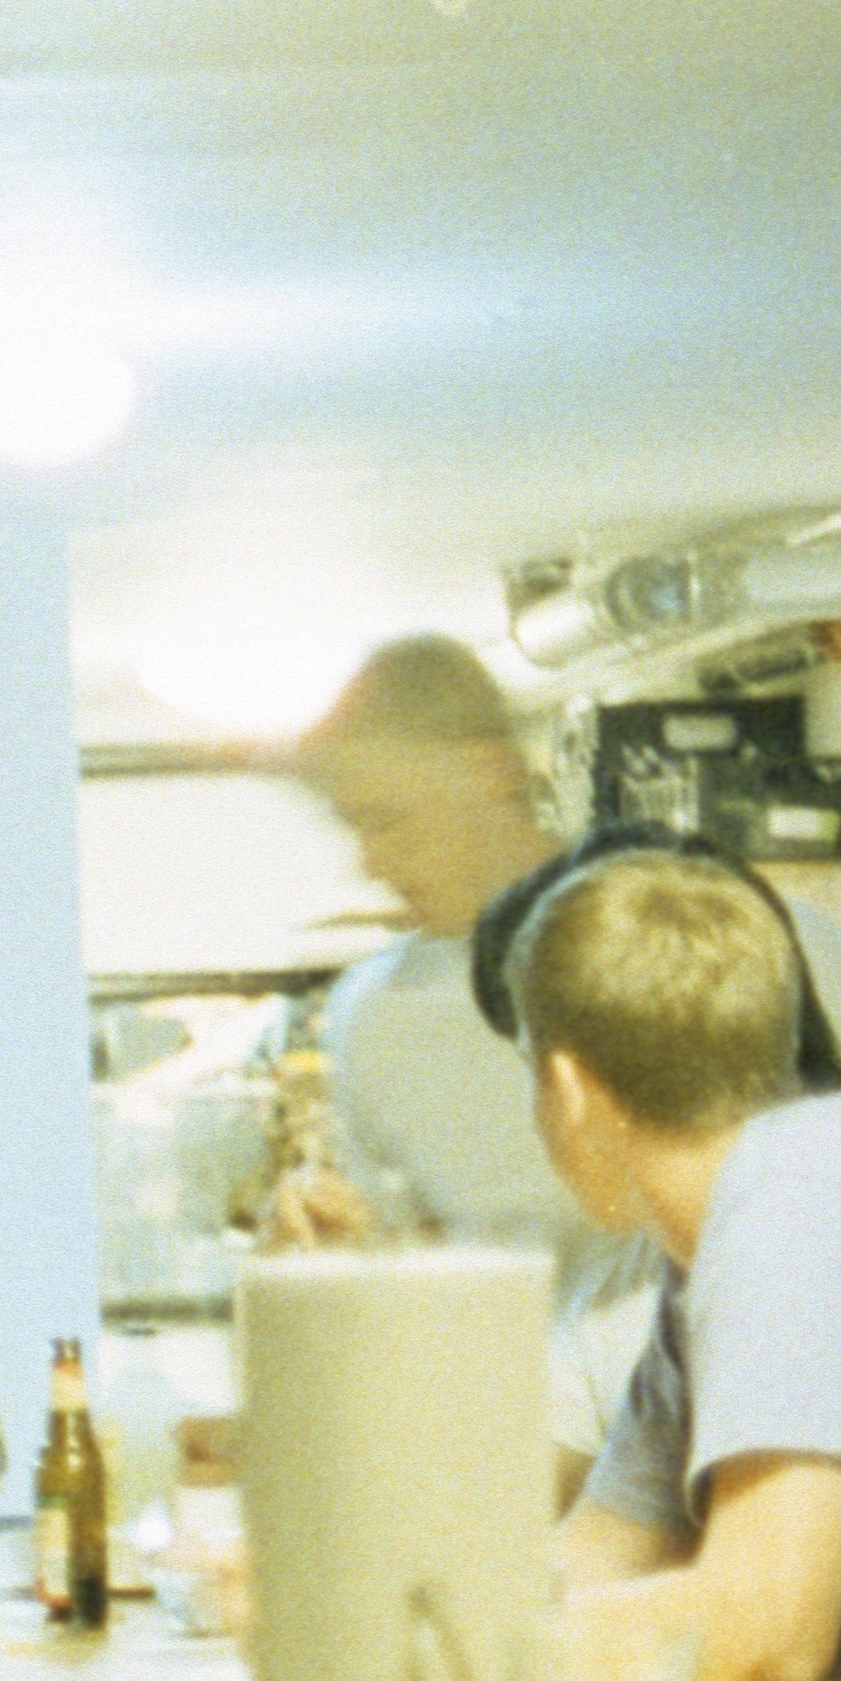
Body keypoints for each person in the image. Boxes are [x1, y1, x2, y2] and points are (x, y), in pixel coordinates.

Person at [277, 636, 647, 1491]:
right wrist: (344, 1249)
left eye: (387, 818)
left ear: (490, 772)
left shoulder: (699, 939)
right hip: (502, 1457)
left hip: (726, 1447)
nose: (368, 862)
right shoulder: (372, 1017)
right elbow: (412, 1262)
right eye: (352, 826)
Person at [512, 848, 841, 1681]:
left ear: (567, 1087)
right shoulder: (705, 1255)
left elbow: (770, 1630)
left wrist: (460, 1656)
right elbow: (595, 1558)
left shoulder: (793, 1193)